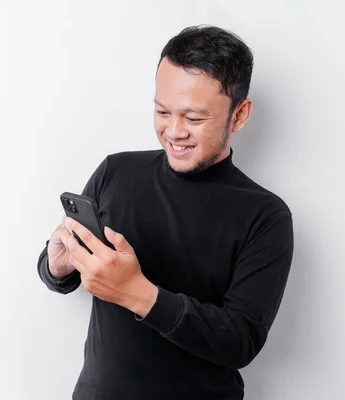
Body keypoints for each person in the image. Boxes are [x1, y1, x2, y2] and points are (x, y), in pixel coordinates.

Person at [36, 24, 294, 400]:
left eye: (194, 118)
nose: (174, 131)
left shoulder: (266, 216)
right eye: (162, 111)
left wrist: (137, 293)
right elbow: (55, 274)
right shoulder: (115, 171)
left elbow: (242, 341)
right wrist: (59, 264)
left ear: (239, 116)